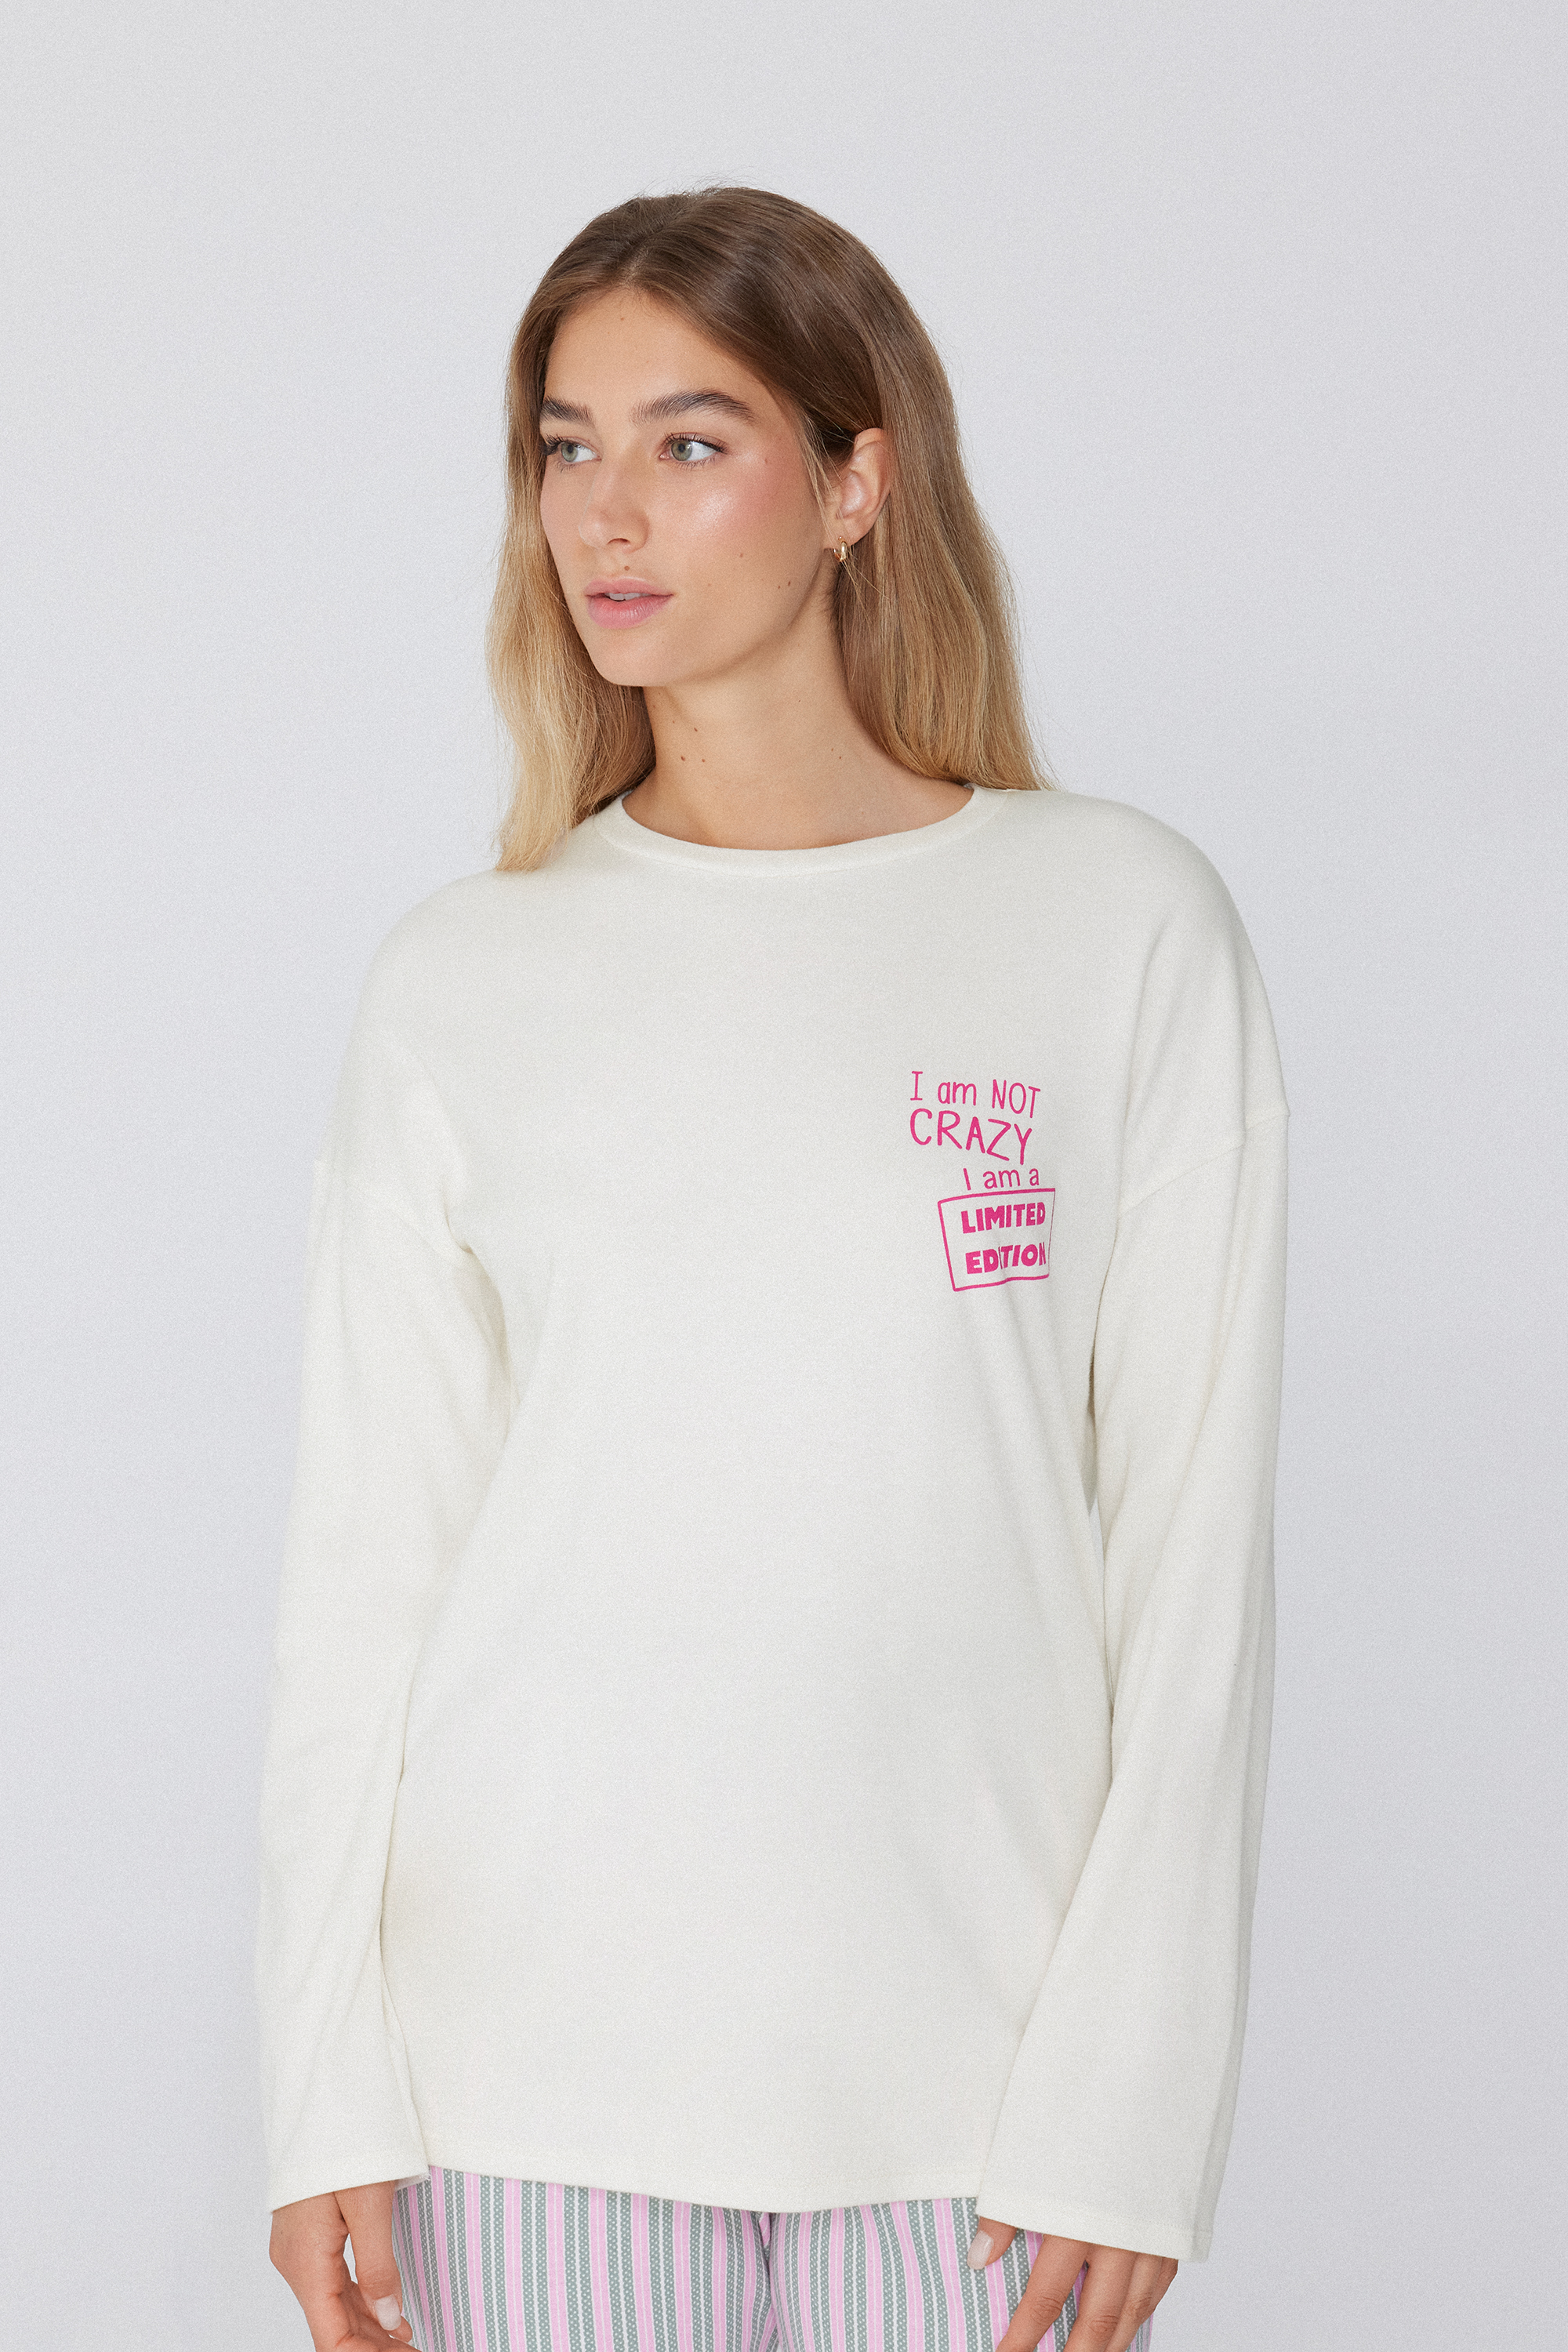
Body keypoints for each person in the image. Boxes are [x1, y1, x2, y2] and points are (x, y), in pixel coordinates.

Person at [259, 187, 1288, 2352]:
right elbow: (367, 1582)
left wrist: (1132, 2103)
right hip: (525, 2087)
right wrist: (324, 2088)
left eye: (691, 441)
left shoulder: (1117, 926)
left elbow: (1190, 1561)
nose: (607, 513)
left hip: (980, 2113)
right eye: (567, 447)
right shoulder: (467, 977)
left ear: (854, 481)